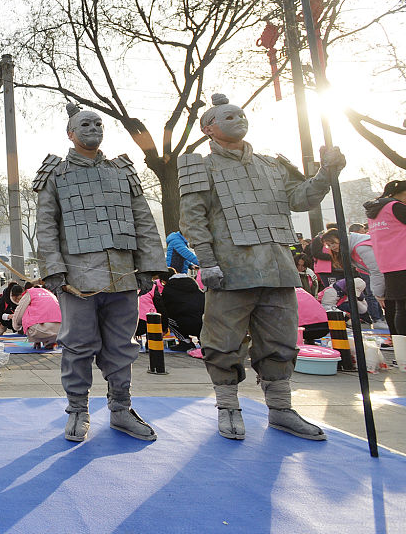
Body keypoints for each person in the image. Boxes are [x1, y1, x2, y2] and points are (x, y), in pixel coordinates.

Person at [178, 93, 345, 441]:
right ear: (208, 129)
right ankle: (228, 407)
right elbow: (193, 218)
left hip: (277, 266)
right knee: (223, 343)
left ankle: (281, 409)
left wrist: (326, 173)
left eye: (240, 114)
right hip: (230, 267)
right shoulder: (200, 166)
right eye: (227, 117)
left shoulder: (272, 165)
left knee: (280, 341)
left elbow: (300, 199)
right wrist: (206, 261)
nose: (238, 119)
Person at [35, 102, 166, 443]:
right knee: (77, 346)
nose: (93, 129)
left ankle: (121, 409)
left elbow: (143, 220)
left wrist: (149, 265)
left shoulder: (122, 170)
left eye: (98, 124)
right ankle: (78, 410)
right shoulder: (56, 174)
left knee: (122, 347)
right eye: (86, 125)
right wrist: (54, 270)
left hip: (122, 275)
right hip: (78, 281)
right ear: (71, 133)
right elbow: (46, 225)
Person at [364, 180, 406, 336]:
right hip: (403, 261)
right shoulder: (396, 207)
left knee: (399, 306)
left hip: (389, 265)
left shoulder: (376, 212)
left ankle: (401, 346)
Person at [321, 228, 384, 326]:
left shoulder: (360, 247)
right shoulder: (350, 250)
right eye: (328, 245)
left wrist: (379, 294)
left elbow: (376, 270)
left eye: (333, 243)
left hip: (391, 275)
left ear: (341, 238)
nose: (332, 247)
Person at [159, 270, 205, 350]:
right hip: (203, 323)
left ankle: (185, 342)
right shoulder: (193, 284)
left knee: (168, 320)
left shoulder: (168, 289)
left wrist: (164, 328)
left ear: (164, 280)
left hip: (185, 323)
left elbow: (165, 310)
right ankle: (202, 340)